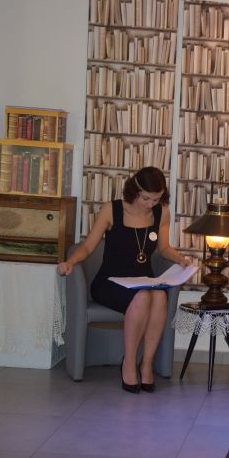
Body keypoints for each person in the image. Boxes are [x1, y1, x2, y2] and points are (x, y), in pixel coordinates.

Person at [57, 167, 191, 394]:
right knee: (143, 297)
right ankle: (129, 363)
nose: (150, 204)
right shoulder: (112, 209)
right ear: (134, 190)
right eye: (146, 198)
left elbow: (164, 248)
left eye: (156, 199)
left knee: (160, 296)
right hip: (110, 282)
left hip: (143, 281)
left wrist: (181, 260)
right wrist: (70, 262)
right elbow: (88, 246)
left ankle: (146, 364)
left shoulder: (162, 212)